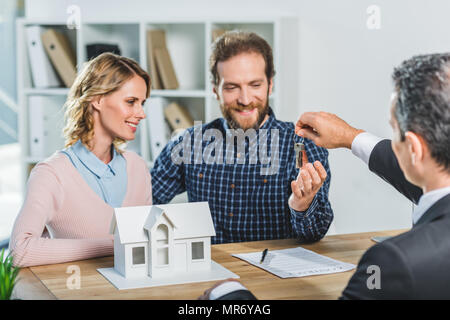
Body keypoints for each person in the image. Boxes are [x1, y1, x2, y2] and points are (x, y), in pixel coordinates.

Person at [200, 53, 450, 299]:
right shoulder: (193, 141)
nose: (245, 98)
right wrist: (350, 136)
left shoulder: (392, 263)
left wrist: (229, 294)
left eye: (394, 132)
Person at [151, 31, 333, 244]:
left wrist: (302, 205)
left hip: (273, 275)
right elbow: (142, 203)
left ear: (270, 85)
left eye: (255, 85)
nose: (245, 99)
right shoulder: (188, 143)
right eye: (231, 87)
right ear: (215, 90)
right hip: (210, 274)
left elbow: (315, 234)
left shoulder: (301, 145)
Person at [9, 53, 152, 267]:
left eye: (142, 103)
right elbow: (20, 251)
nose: (141, 113)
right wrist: (110, 245)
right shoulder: (51, 173)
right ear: (97, 100)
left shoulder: (137, 167)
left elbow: (147, 245)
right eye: (131, 102)